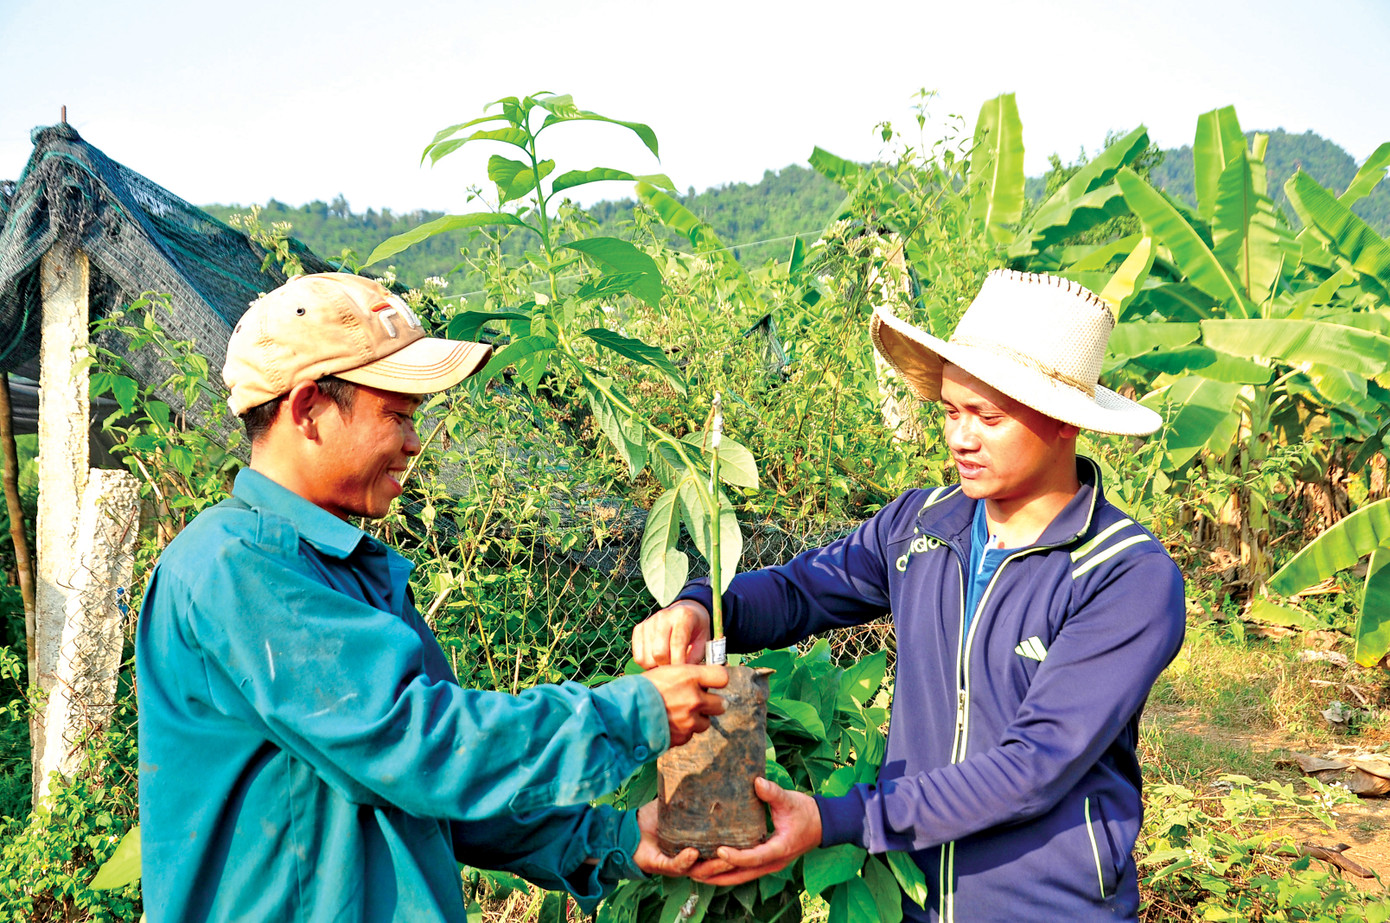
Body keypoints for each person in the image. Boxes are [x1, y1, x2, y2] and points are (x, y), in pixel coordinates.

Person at [136, 272, 729, 922]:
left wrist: (617, 838)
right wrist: (635, 711)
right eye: (396, 414)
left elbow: (442, 785)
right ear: (307, 410)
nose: (414, 443)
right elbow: (420, 746)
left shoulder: (347, 569)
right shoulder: (235, 565)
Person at [632, 269, 1187, 922]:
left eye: (988, 416)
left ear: (1064, 423)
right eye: (951, 410)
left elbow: (1032, 768)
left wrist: (840, 818)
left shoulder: (1124, 575)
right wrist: (699, 604)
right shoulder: (922, 523)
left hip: (1049, 905)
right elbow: (800, 590)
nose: (959, 437)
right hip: (920, 899)